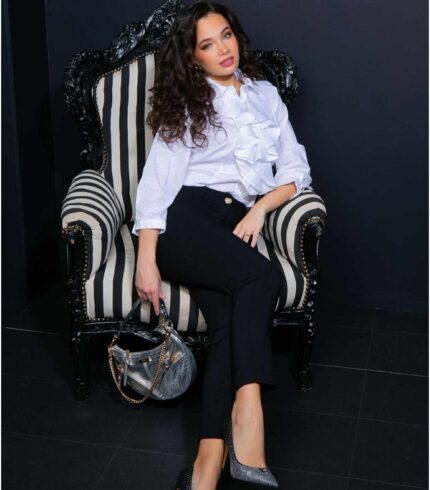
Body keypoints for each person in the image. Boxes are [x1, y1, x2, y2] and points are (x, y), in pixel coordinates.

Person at [132, 1, 312, 488]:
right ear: (194, 57)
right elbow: (156, 185)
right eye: (207, 45)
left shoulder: (266, 96)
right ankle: (248, 411)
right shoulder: (188, 102)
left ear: (237, 36)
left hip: (234, 223)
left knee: (229, 326)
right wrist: (146, 259)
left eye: (226, 35)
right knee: (263, 276)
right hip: (184, 221)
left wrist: (259, 209)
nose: (223, 50)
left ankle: (206, 463)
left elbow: (296, 170)